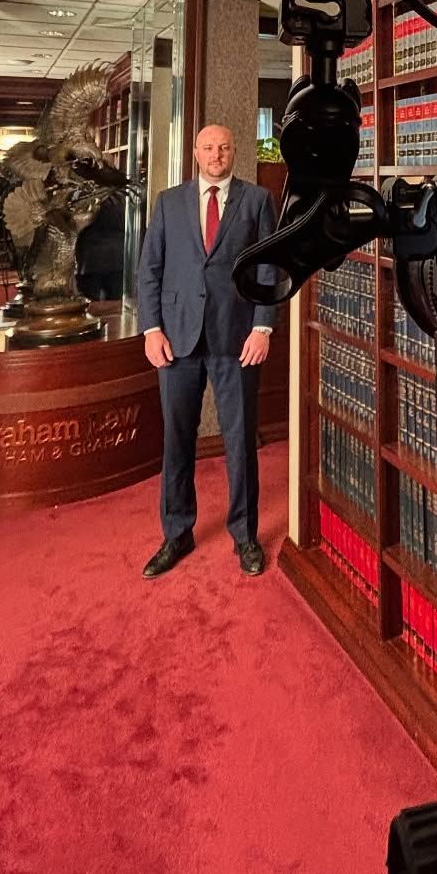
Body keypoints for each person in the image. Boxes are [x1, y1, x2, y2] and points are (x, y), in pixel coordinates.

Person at [137, 124, 277, 578]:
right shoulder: (168, 202)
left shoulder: (256, 201)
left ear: (234, 151)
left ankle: (245, 535)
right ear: (195, 153)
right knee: (177, 440)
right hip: (176, 340)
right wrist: (151, 329)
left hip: (237, 340)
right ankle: (176, 533)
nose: (216, 154)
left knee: (240, 442)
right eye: (208, 148)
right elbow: (150, 271)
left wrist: (263, 327)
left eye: (224, 147)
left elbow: (270, 269)